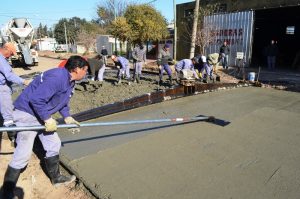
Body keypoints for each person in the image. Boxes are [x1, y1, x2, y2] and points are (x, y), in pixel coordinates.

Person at [1, 56, 89, 199]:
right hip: (27, 113)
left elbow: (63, 101)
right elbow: (36, 99)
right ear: (77, 69)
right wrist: (47, 119)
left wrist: (67, 116)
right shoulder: (57, 77)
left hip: (40, 113)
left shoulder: (70, 81)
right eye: (85, 70)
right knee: (23, 155)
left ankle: (56, 178)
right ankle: (7, 192)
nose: (86, 73)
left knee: (53, 143)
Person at [0, 42, 30, 145]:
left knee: (2, 112)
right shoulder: (1, 60)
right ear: (6, 49)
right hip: (1, 89)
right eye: (11, 53)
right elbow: (9, 76)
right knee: (8, 114)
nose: (12, 55)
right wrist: (24, 81)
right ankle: (14, 138)